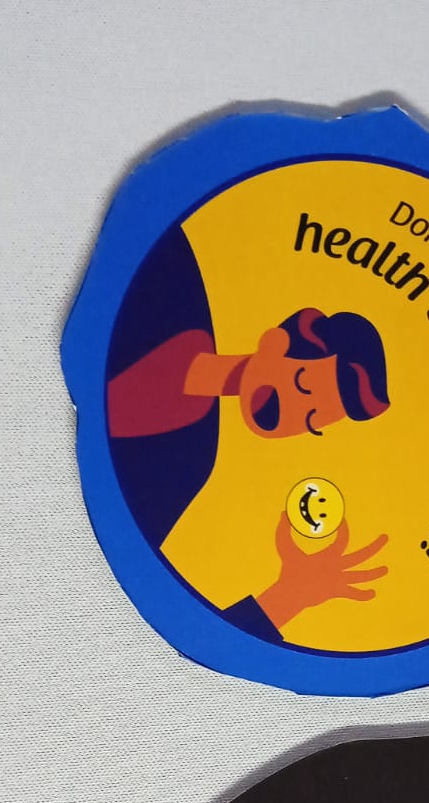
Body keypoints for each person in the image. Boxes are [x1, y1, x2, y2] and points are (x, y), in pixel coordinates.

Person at [105, 224, 390, 641]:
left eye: (310, 420)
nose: (290, 409)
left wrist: (290, 595)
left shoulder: (186, 475)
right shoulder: (169, 276)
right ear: (275, 342)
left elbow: (176, 613)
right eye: (302, 384)